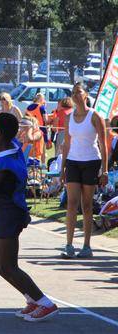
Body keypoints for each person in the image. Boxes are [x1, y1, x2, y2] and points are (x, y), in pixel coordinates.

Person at [0, 113, 58, 322]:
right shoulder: (6, 148)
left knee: (8, 265)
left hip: (8, 214)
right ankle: (32, 299)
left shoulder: (6, 162)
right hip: (2, 214)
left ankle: (45, 303)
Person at [61, 83, 108, 259]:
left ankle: (87, 246)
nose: (75, 95)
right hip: (73, 161)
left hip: (91, 162)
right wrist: (62, 167)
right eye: (73, 93)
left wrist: (104, 171)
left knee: (86, 205)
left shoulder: (95, 116)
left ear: (86, 95)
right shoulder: (69, 117)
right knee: (72, 203)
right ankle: (69, 245)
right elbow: (66, 144)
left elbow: (103, 145)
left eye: (78, 92)